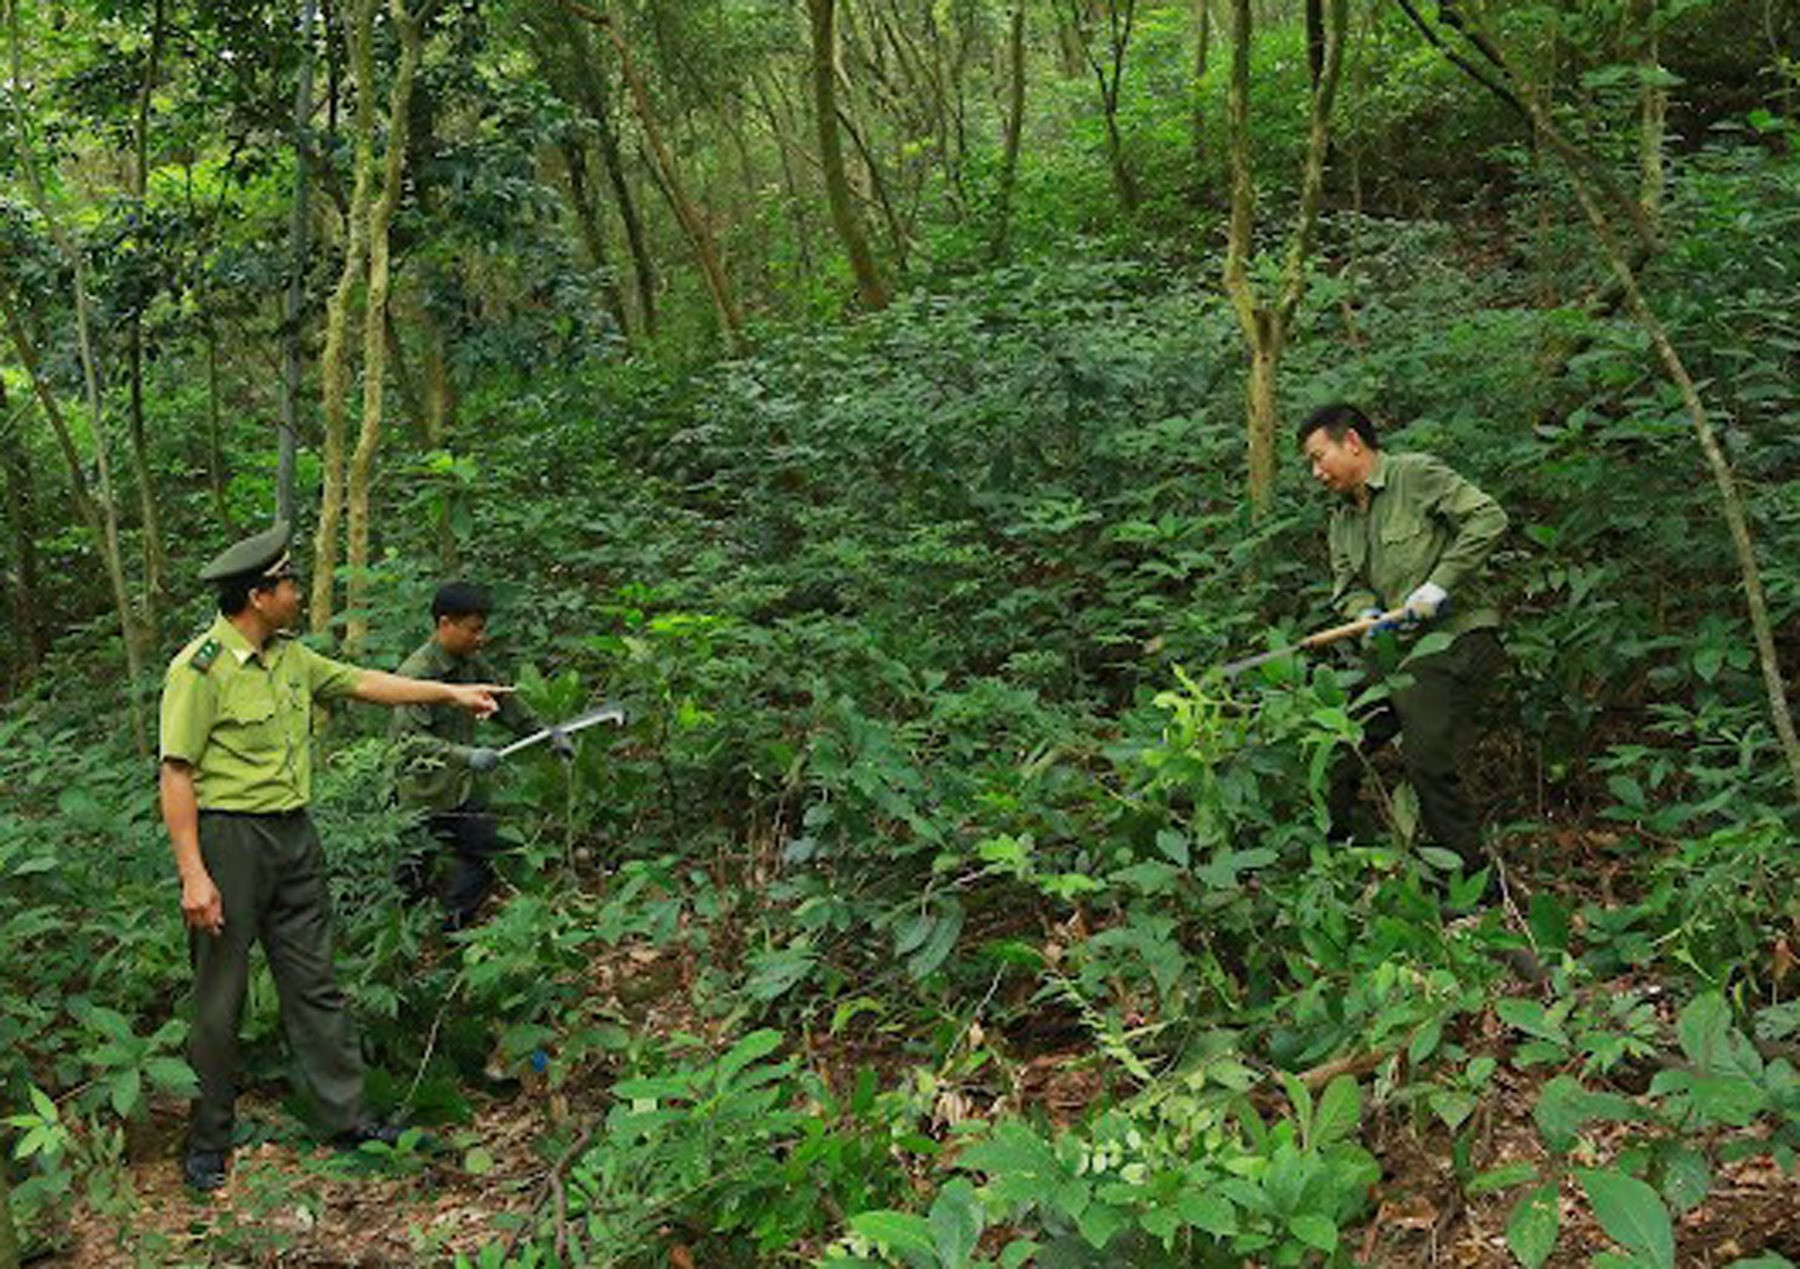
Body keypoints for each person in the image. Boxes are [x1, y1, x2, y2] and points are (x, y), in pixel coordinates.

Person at [158, 521, 510, 1192]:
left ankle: (345, 1117)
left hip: (295, 836)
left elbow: (364, 683)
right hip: (229, 839)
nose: (297, 590)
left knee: (314, 980)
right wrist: (193, 873)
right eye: (288, 582)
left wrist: (450, 692)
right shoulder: (198, 667)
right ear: (259, 595)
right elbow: (176, 773)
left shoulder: (292, 657)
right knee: (220, 995)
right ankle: (208, 1138)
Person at [1297, 403, 1510, 875]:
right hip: (1396, 652)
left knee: (1426, 757)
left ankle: (1472, 887)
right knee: (1336, 743)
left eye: (1319, 457)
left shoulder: (1415, 476)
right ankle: (1338, 861)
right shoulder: (1342, 520)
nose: (1316, 472)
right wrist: (1365, 614)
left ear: (1352, 442)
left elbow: (1488, 518)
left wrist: (1441, 583)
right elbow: (1347, 588)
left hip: (1457, 637)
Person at [389, 582, 563, 931]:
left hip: (460, 794)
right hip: (418, 797)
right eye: (473, 630)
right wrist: (467, 756)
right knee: (408, 883)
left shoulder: (471, 663)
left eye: (482, 630)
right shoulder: (416, 675)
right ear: (444, 624)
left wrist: (545, 734)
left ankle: (451, 928)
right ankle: (403, 951)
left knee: (491, 854)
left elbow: (505, 702)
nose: (480, 638)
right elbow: (408, 742)